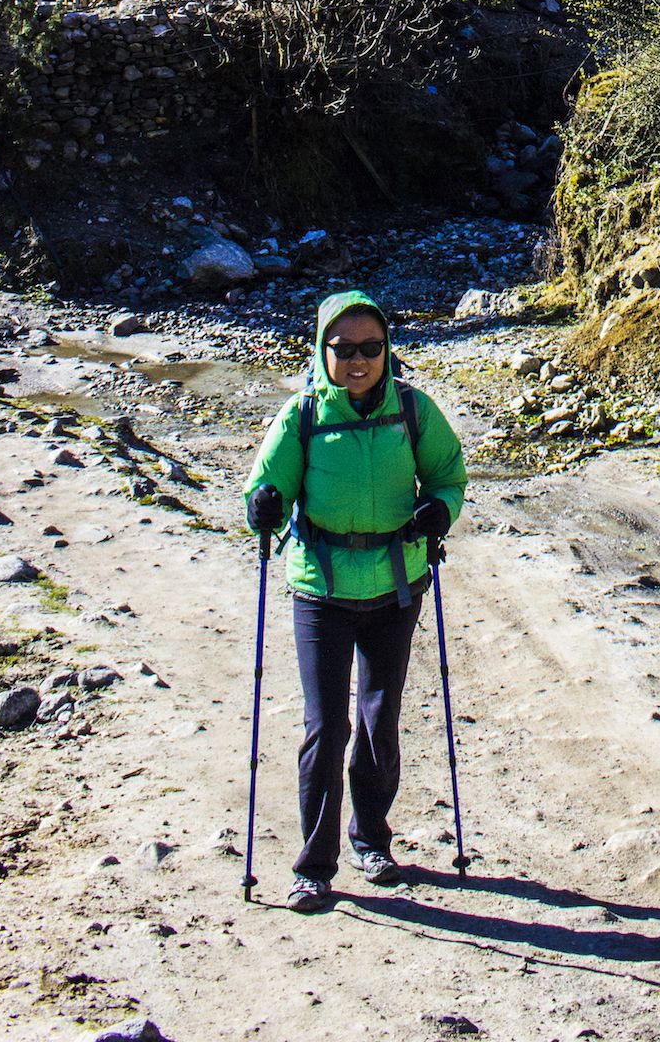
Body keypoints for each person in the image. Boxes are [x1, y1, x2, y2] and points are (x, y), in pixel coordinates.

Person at [243, 289, 467, 913]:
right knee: (325, 726)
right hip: (321, 590)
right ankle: (314, 867)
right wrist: (261, 505)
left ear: (388, 351)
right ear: (323, 352)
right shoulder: (303, 416)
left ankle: (372, 841)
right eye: (344, 350)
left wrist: (439, 511)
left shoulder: (414, 411)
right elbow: (267, 485)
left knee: (378, 720)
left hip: (397, 587)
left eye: (372, 348)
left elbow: (449, 475)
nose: (359, 360)